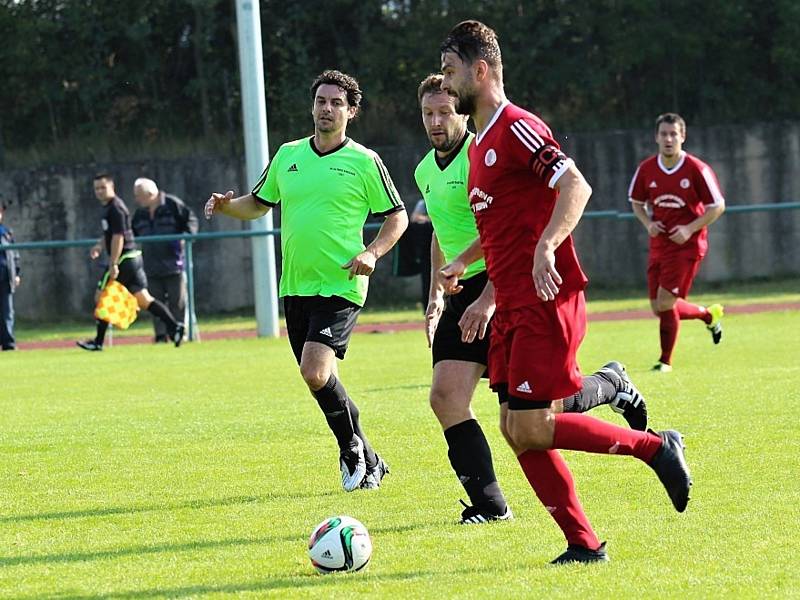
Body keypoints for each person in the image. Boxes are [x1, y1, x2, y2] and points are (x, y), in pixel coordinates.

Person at [438, 20, 692, 563]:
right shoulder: (479, 144)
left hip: (543, 298)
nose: (445, 79)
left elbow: (576, 185)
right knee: (516, 428)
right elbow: (504, 227)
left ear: (480, 70)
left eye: (452, 69)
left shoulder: (516, 126)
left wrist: (549, 244)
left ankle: (656, 448)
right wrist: (463, 260)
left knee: (533, 422)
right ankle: (583, 544)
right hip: (509, 302)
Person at [415, 74, 648, 524]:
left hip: (503, 286)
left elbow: (508, 230)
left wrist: (490, 297)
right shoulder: (424, 169)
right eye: (428, 113)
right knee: (447, 398)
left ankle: (610, 386)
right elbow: (441, 236)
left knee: (535, 416)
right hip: (462, 292)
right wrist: (434, 297)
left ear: (461, 108)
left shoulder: (483, 152)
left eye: (445, 111)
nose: (437, 121)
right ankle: (490, 504)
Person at [205, 70, 408, 492]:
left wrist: (371, 252)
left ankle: (350, 450)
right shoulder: (288, 155)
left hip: (341, 283)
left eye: (336, 103)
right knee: (314, 375)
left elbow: (397, 214)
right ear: (312, 106)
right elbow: (258, 204)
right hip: (295, 285)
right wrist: (227, 207)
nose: (326, 109)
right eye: (321, 101)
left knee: (316, 371)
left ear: (351, 111)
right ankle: (371, 457)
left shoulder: (365, 161)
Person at [629, 113, 726, 372]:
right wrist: (648, 223)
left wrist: (690, 228)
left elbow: (717, 206)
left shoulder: (696, 169)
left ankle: (665, 361)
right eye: (664, 134)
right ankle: (708, 315)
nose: (668, 139)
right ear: (656, 137)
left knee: (665, 303)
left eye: (674, 134)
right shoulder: (646, 169)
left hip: (687, 246)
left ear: (683, 137)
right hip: (660, 244)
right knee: (659, 307)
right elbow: (636, 202)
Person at [77, 173, 185, 351]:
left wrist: (113, 264)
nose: (99, 191)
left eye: (103, 187)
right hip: (133, 258)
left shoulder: (115, 208)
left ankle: (98, 341)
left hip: (125, 259)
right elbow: (112, 234)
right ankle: (174, 327)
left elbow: (119, 237)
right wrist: (99, 245)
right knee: (144, 300)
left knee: (101, 295)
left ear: (112, 187)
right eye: (96, 188)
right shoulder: (109, 208)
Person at [132, 177, 199, 343]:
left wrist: (185, 239)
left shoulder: (172, 204)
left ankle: (180, 333)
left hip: (173, 264)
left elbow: (191, 222)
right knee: (155, 303)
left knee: (178, 301)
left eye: (139, 196)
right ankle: (161, 335)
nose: (136, 200)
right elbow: (132, 232)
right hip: (150, 265)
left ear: (149, 194)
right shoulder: (140, 214)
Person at [0, 201, 21, 351]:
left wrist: (17, 273)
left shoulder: (6, 232)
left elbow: (15, 255)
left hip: (5, 277)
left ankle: (8, 343)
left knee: (7, 312)